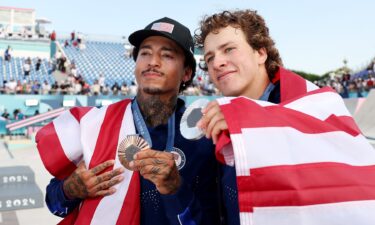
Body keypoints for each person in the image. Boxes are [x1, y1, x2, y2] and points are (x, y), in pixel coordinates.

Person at [195, 9, 375, 225]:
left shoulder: (318, 104)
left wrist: (246, 118)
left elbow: (350, 184)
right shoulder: (219, 121)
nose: (217, 63)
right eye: (210, 57)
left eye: (229, 49)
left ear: (261, 53)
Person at [36, 17, 220, 225]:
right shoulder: (96, 124)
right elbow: (54, 203)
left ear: (186, 73)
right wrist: (68, 190)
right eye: (145, 53)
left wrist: (176, 190)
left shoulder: (202, 136)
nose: (152, 61)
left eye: (167, 55)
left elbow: (209, 220)